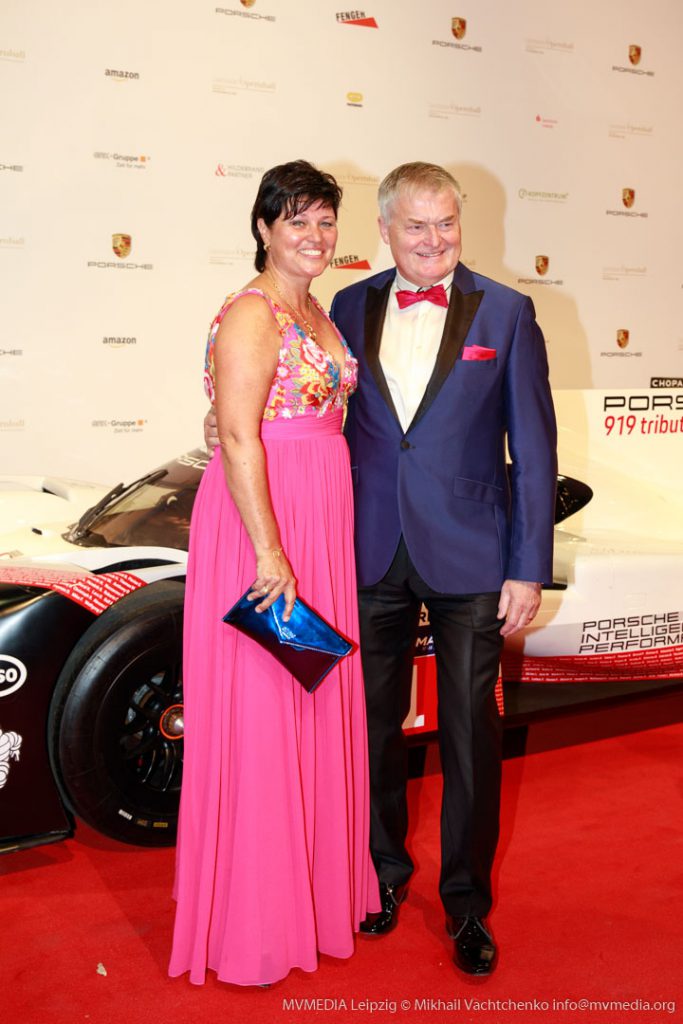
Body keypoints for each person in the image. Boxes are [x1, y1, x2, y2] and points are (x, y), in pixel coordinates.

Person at [329, 162, 557, 975]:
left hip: (472, 554)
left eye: (447, 222)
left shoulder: (507, 311)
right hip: (369, 547)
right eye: (417, 225)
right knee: (370, 729)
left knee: (468, 734)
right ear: (385, 229)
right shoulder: (346, 305)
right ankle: (381, 875)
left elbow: (534, 449)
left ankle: (465, 905)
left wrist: (527, 567)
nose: (434, 240)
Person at [170, 160, 379, 988]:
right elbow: (237, 437)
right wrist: (268, 551)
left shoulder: (316, 309)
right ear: (263, 228)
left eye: (325, 221)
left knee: (310, 697)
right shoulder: (253, 313)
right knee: (264, 709)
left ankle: (313, 899)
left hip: (317, 518)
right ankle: (255, 923)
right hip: (264, 525)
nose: (315, 236)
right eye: (297, 220)